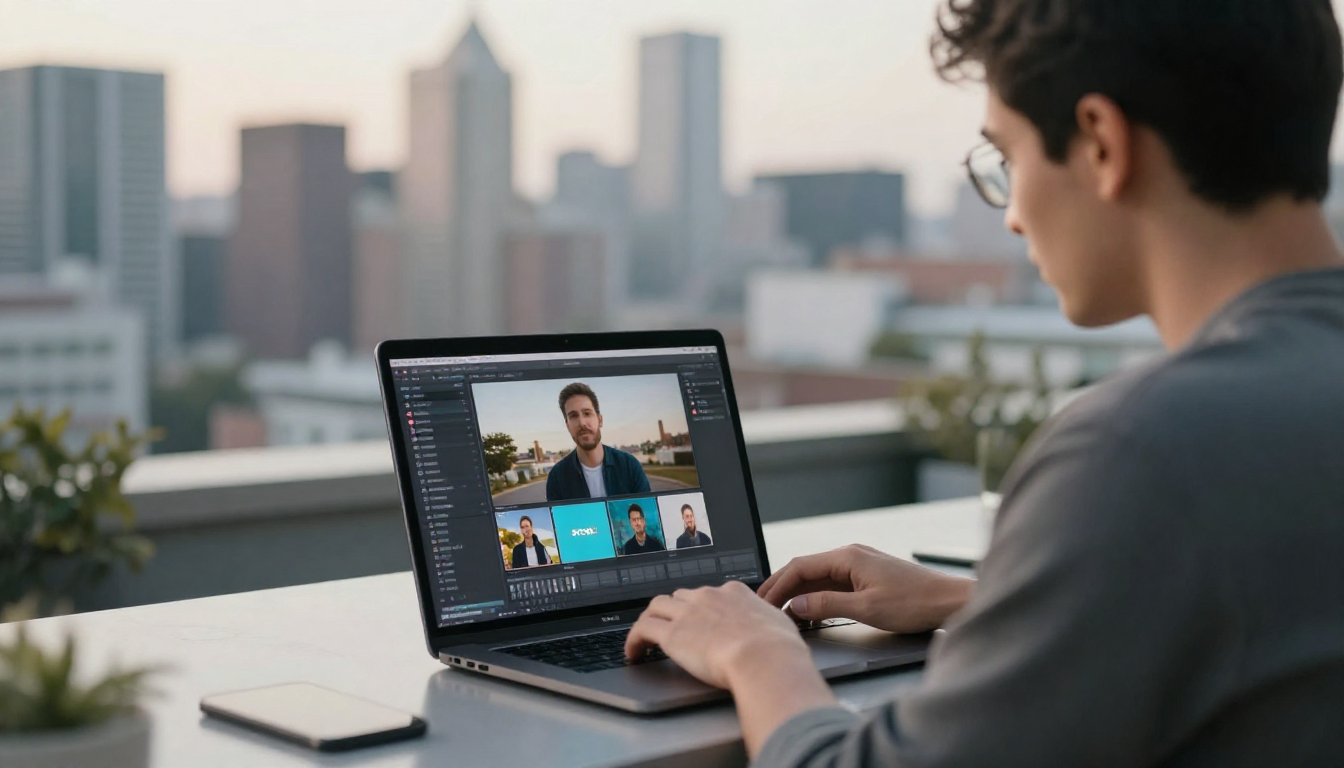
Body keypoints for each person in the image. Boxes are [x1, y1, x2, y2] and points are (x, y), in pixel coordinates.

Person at [624, 0, 1344, 764]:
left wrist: (756, 652)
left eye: (1007, 160)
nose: (1011, 218)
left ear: (1102, 143)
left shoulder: (1141, 453)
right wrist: (992, 604)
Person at [546, 382, 652, 502]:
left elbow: (647, 514)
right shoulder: (557, 478)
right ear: (568, 426)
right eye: (573, 416)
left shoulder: (630, 466)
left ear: (600, 420)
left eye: (587, 413)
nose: (582, 423)